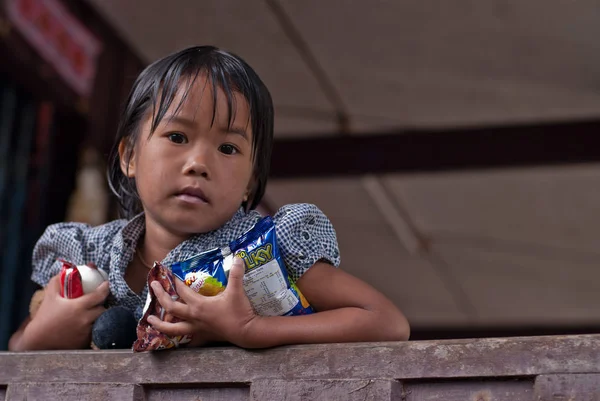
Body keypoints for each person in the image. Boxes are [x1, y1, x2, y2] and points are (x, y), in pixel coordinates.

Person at [9, 46, 409, 351]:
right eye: (178, 137)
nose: (199, 163)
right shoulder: (90, 254)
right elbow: (18, 348)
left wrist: (252, 329)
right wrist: (43, 333)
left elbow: (385, 322)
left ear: (251, 181)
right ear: (130, 155)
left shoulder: (266, 252)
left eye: (228, 149)